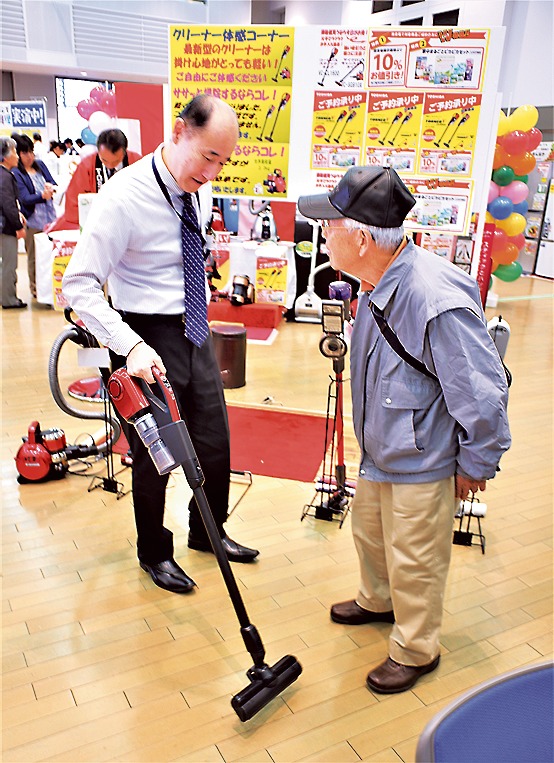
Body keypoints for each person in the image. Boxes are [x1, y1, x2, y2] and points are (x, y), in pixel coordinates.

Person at [298, 166, 511, 694]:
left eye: (331, 226)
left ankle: (416, 647)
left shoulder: (433, 297)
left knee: (416, 557)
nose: (323, 235)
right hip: (382, 449)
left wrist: (477, 463)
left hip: (423, 458)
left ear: (363, 238)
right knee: (370, 534)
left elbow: (482, 392)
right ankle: (377, 600)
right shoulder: (376, 282)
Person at [62, 94, 259, 596]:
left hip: (193, 328)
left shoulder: (196, 187)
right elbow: (79, 285)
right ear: (178, 132)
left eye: (224, 160)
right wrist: (128, 346)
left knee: (214, 443)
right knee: (155, 455)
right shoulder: (123, 197)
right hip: (142, 337)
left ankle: (206, 531)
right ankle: (154, 551)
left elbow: (181, 248)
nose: (213, 171)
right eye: (208, 157)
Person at [48, 129, 141, 232]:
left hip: (131, 225)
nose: (109, 165)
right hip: (97, 227)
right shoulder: (88, 165)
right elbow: (74, 203)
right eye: (104, 160)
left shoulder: (137, 163)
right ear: (98, 151)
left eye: (115, 161)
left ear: (124, 152)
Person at [12, 133, 57, 299]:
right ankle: (35, 288)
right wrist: (42, 196)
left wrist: (51, 188)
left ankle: (50, 287)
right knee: (33, 256)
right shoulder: (17, 173)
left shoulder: (40, 164)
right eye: (25, 153)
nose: (29, 156)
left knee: (50, 254)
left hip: (50, 219)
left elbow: (52, 181)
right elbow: (24, 198)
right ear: (17, 154)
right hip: (33, 220)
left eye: (31, 151)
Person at [0, 136, 27, 309]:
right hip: (6, 228)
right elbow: (8, 204)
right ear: (5, 156)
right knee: (9, 264)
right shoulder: (5, 177)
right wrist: (18, 226)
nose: (17, 156)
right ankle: (9, 299)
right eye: (15, 152)